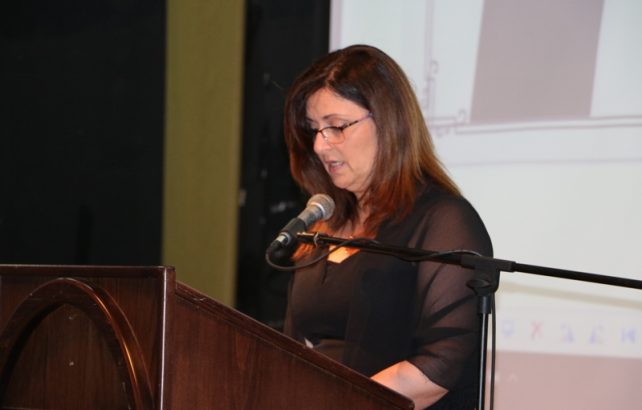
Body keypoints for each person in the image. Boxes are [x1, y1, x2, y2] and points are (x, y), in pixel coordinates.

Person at [280, 44, 493, 409]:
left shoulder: (443, 220)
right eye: (314, 130)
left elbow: (443, 360)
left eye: (336, 126)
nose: (320, 145)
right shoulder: (324, 223)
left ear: (387, 121)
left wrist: (342, 402)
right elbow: (294, 348)